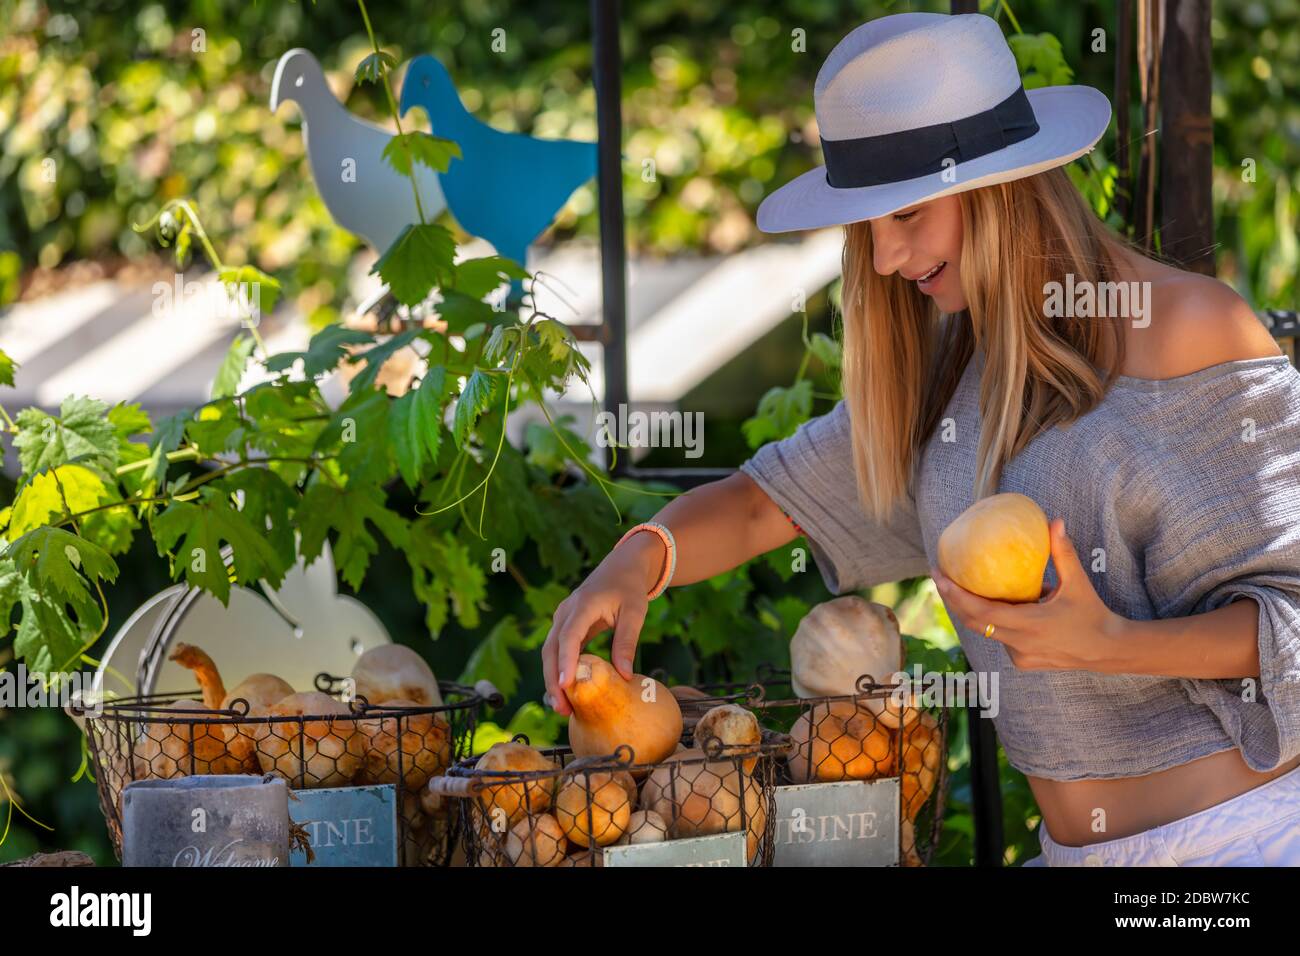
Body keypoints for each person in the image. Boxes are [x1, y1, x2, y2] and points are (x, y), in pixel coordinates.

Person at [541, 11, 1300, 866]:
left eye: (904, 213)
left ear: (1002, 185)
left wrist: (1111, 646)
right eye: (864, 228)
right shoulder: (957, 363)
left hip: (1248, 841)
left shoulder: (1194, 326)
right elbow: (764, 504)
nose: (887, 258)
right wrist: (637, 559)